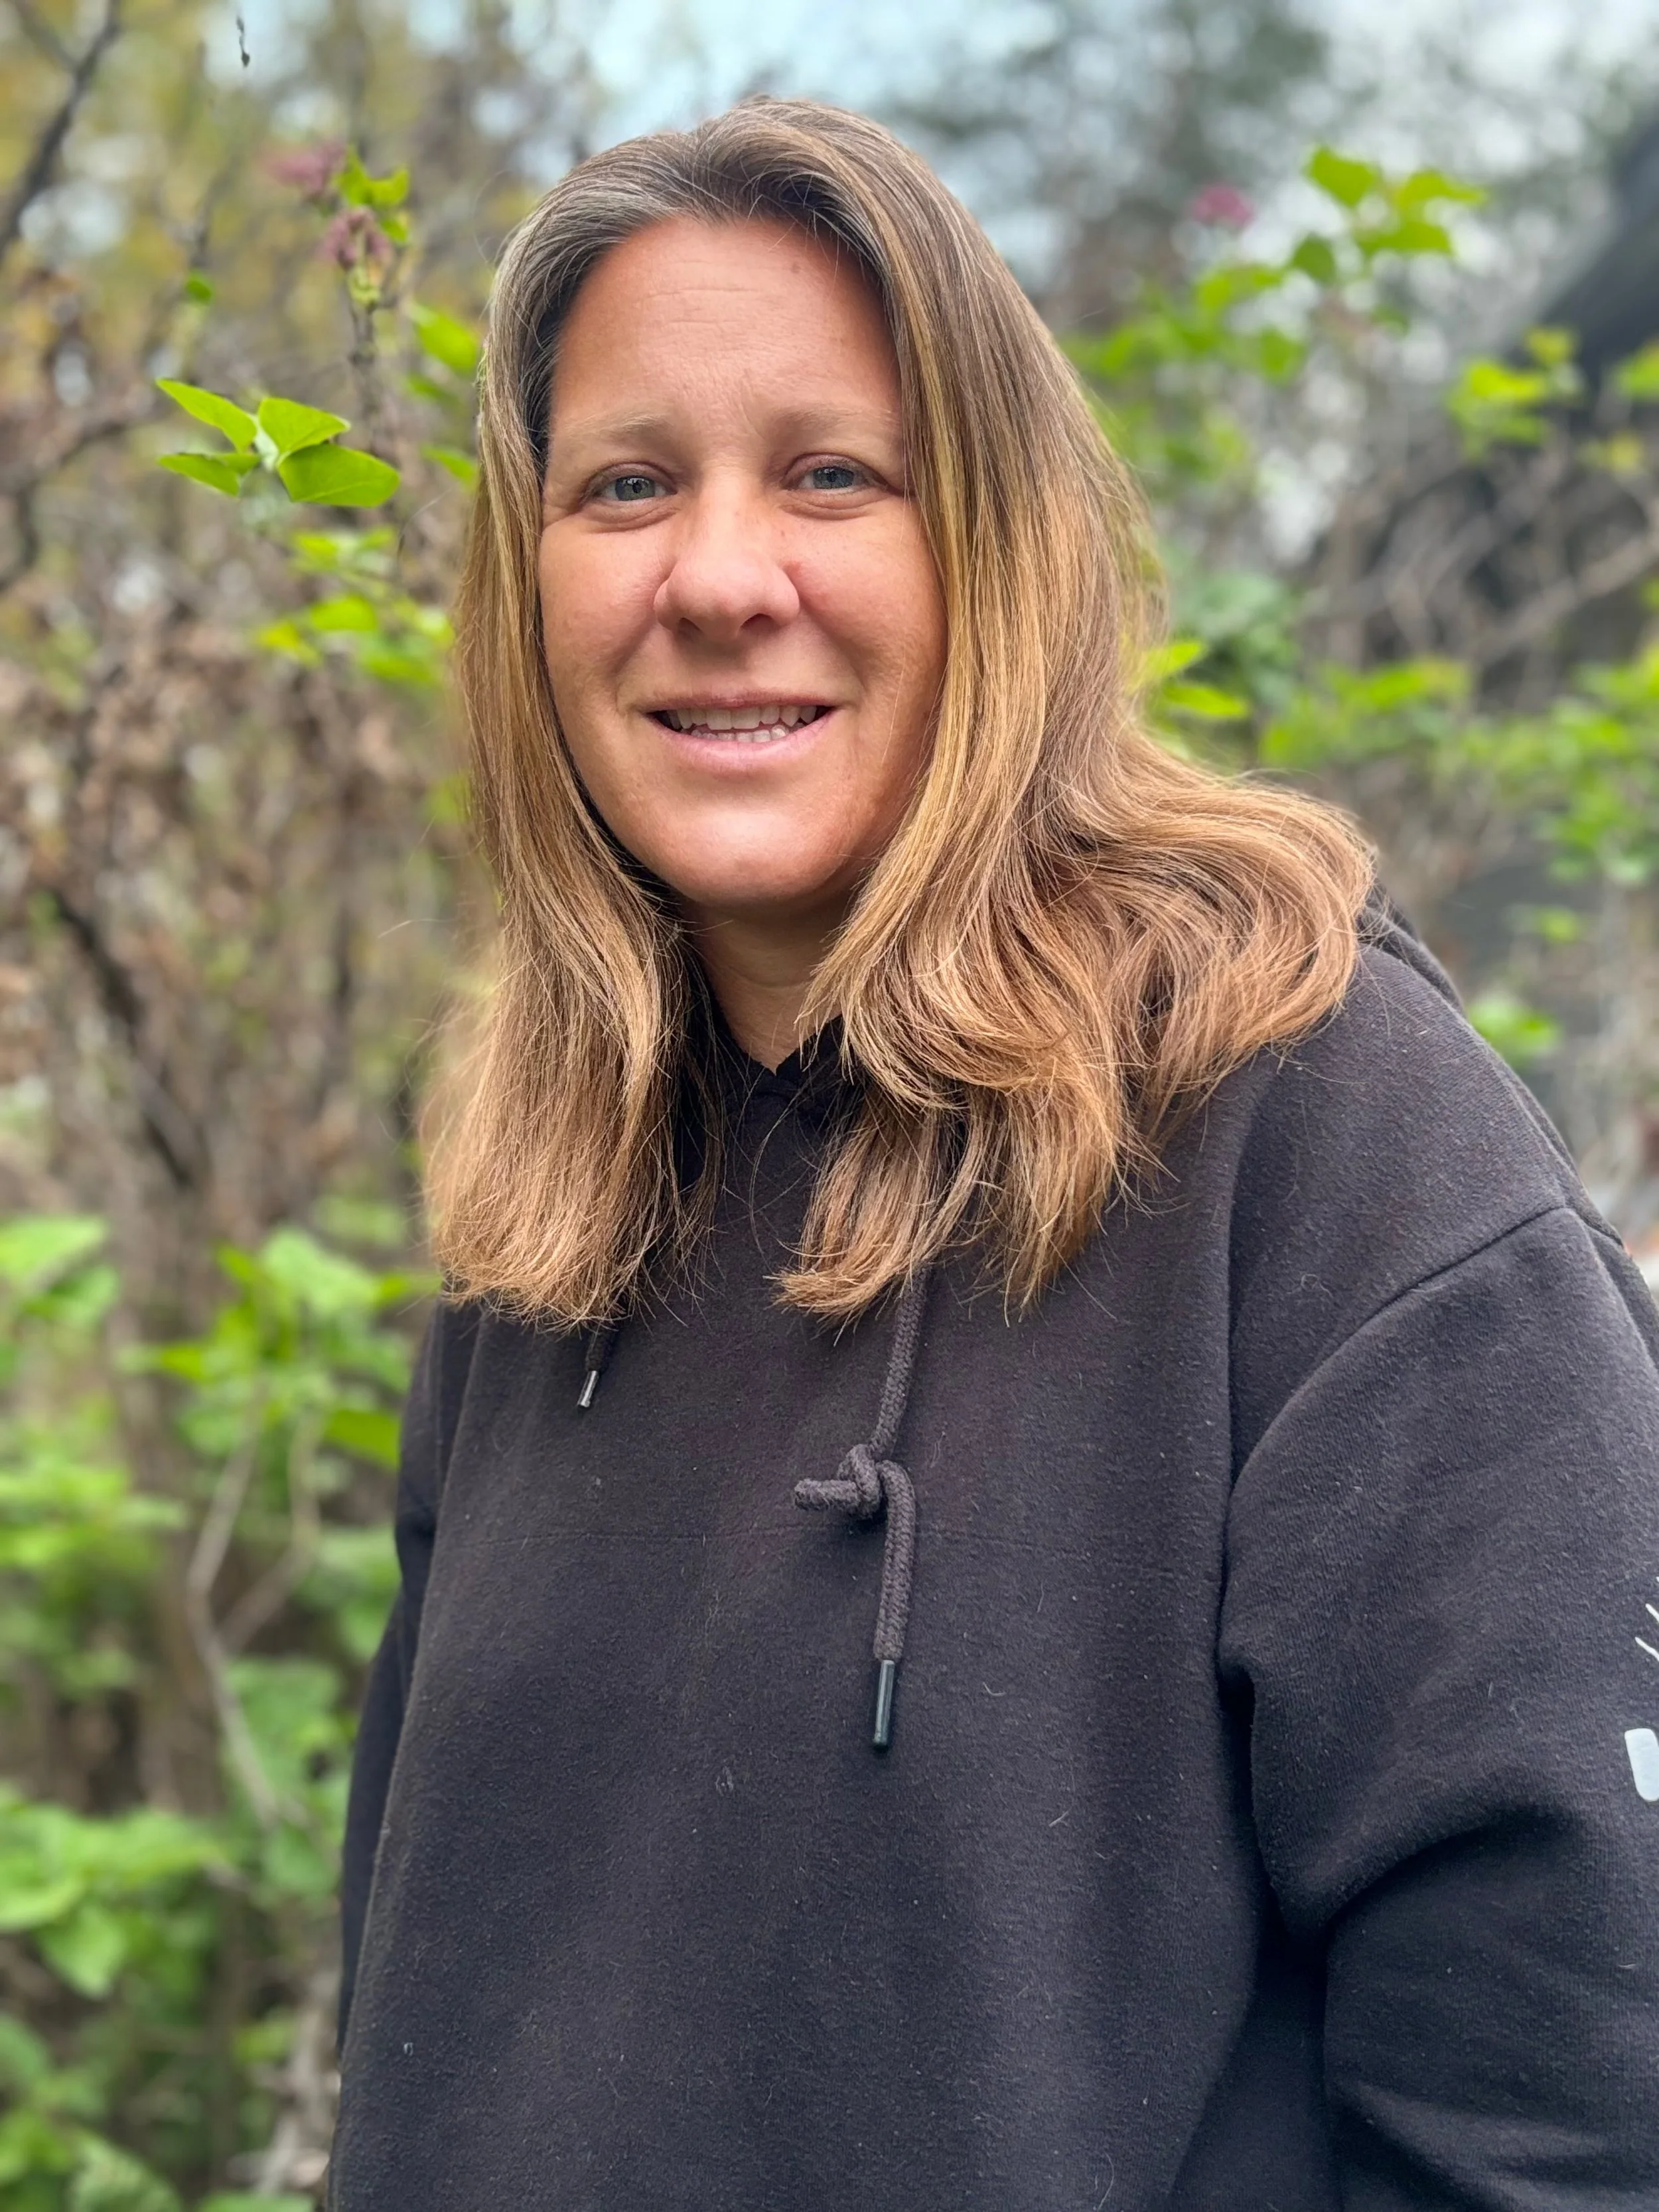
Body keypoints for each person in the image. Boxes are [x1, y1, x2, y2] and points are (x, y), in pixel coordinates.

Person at [329, 99, 1659, 2211]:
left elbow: (1568, 2112)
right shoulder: (544, 1195)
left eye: (833, 472)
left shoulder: (1315, 1133)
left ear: (1000, 546)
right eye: (626, 483)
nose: (719, 577)